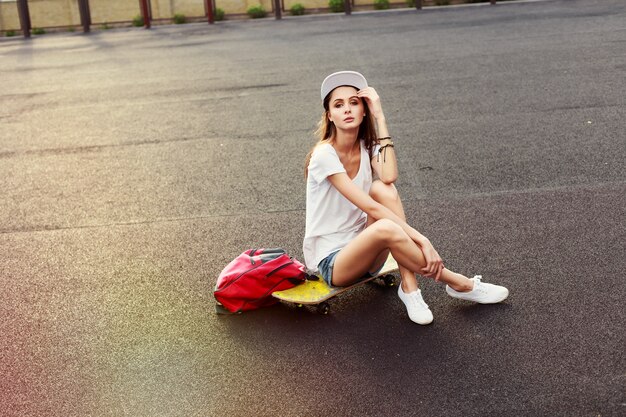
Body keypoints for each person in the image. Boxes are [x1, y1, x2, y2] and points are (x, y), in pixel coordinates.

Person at [303, 71, 509, 325]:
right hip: (335, 263)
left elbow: (389, 175)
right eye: (338, 105)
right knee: (385, 224)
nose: (347, 109)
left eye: (354, 102)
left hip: (367, 252)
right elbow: (368, 206)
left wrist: (380, 116)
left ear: (364, 110)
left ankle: (410, 288)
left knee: (384, 190)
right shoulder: (324, 155)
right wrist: (423, 241)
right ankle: (459, 283)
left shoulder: (366, 147)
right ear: (329, 116)